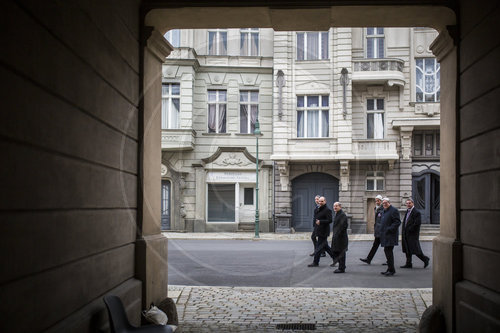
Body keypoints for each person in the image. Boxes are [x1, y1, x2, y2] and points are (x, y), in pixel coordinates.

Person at [401, 198, 430, 268]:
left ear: (413, 203)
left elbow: (417, 223)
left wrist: (410, 229)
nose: (408, 204)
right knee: (407, 249)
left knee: (415, 249)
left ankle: (425, 259)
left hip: (412, 234)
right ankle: (408, 263)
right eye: (407, 203)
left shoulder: (416, 212)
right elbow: (405, 222)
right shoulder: (407, 211)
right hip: (406, 233)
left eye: (409, 203)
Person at [307, 196, 334, 267]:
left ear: (325, 201)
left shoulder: (327, 210)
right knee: (325, 247)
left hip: (324, 231)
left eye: (322, 201)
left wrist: (321, 221)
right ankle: (336, 258)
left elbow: (330, 220)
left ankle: (315, 262)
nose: (320, 202)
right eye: (319, 201)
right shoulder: (318, 209)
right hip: (318, 230)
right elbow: (316, 219)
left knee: (319, 247)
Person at [379, 197, 401, 276]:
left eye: (385, 203)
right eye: (383, 203)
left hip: (390, 235)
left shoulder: (394, 210)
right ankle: (389, 268)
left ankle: (391, 270)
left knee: (389, 252)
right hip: (385, 235)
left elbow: (397, 222)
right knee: (387, 251)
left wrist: (389, 229)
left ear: (389, 203)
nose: (384, 204)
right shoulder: (384, 211)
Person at [360, 194, 384, 265]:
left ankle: (389, 261)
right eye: (376, 200)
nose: (376, 202)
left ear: (381, 201)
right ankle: (368, 259)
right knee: (375, 246)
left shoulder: (383, 208)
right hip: (378, 231)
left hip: (382, 231)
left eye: (378, 200)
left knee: (386, 248)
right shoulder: (376, 208)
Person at [330, 202, 348, 273]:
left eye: (336, 206)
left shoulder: (342, 215)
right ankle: (342, 265)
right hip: (336, 236)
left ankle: (341, 268)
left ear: (340, 206)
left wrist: (337, 234)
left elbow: (343, 226)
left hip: (341, 237)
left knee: (341, 253)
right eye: (334, 206)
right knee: (335, 251)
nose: (335, 207)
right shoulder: (337, 214)